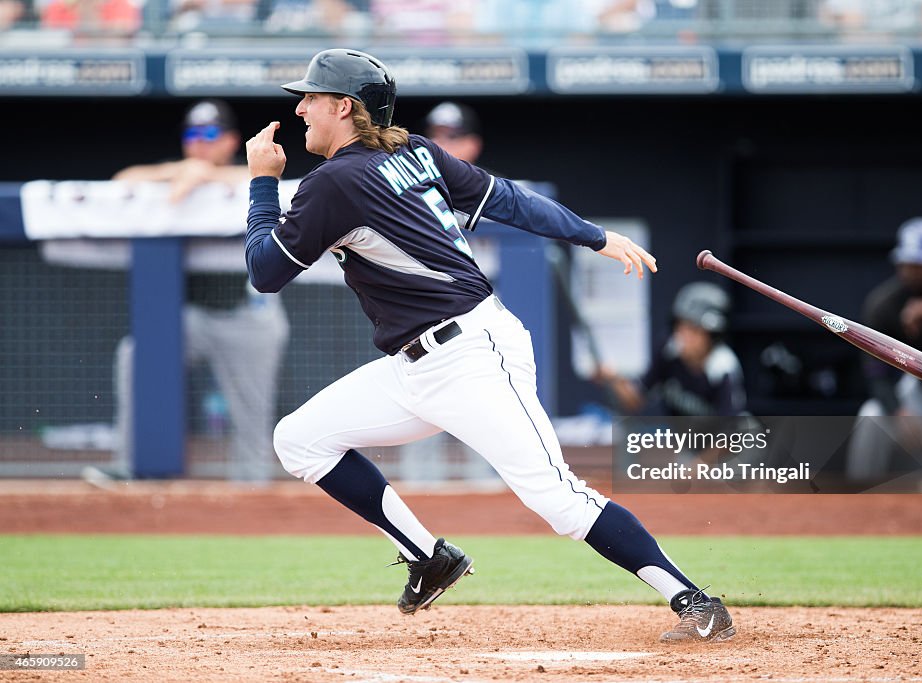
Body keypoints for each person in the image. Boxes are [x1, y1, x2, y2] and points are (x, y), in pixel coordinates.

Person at [243, 48, 735, 642]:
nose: (300, 109)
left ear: (344, 108)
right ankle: (430, 558)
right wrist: (593, 235)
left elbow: (264, 271)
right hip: (415, 366)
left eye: (311, 98)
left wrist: (262, 184)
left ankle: (695, 602)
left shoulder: (337, 181)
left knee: (558, 499)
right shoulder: (413, 151)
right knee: (299, 438)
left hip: (471, 355)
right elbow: (512, 200)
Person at [91, 100, 289, 485]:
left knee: (251, 412)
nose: (199, 143)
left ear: (231, 140)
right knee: (135, 353)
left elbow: (275, 189)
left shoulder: (250, 176)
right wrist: (182, 170)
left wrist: (205, 176)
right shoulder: (175, 176)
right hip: (192, 316)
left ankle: (253, 493)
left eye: (210, 134)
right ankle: (131, 464)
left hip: (248, 315)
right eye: (192, 135)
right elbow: (119, 183)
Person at [846, 217, 922, 481]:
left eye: (920, 265)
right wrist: (899, 412)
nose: (910, 271)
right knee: (872, 415)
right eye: (906, 264)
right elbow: (875, 373)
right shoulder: (885, 306)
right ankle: (858, 502)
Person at [596, 281, 746, 416]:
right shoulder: (669, 350)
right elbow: (635, 400)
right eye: (681, 326)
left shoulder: (722, 366)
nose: (684, 336)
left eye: (694, 330)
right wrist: (613, 378)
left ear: (713, 335)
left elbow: (729, 436)